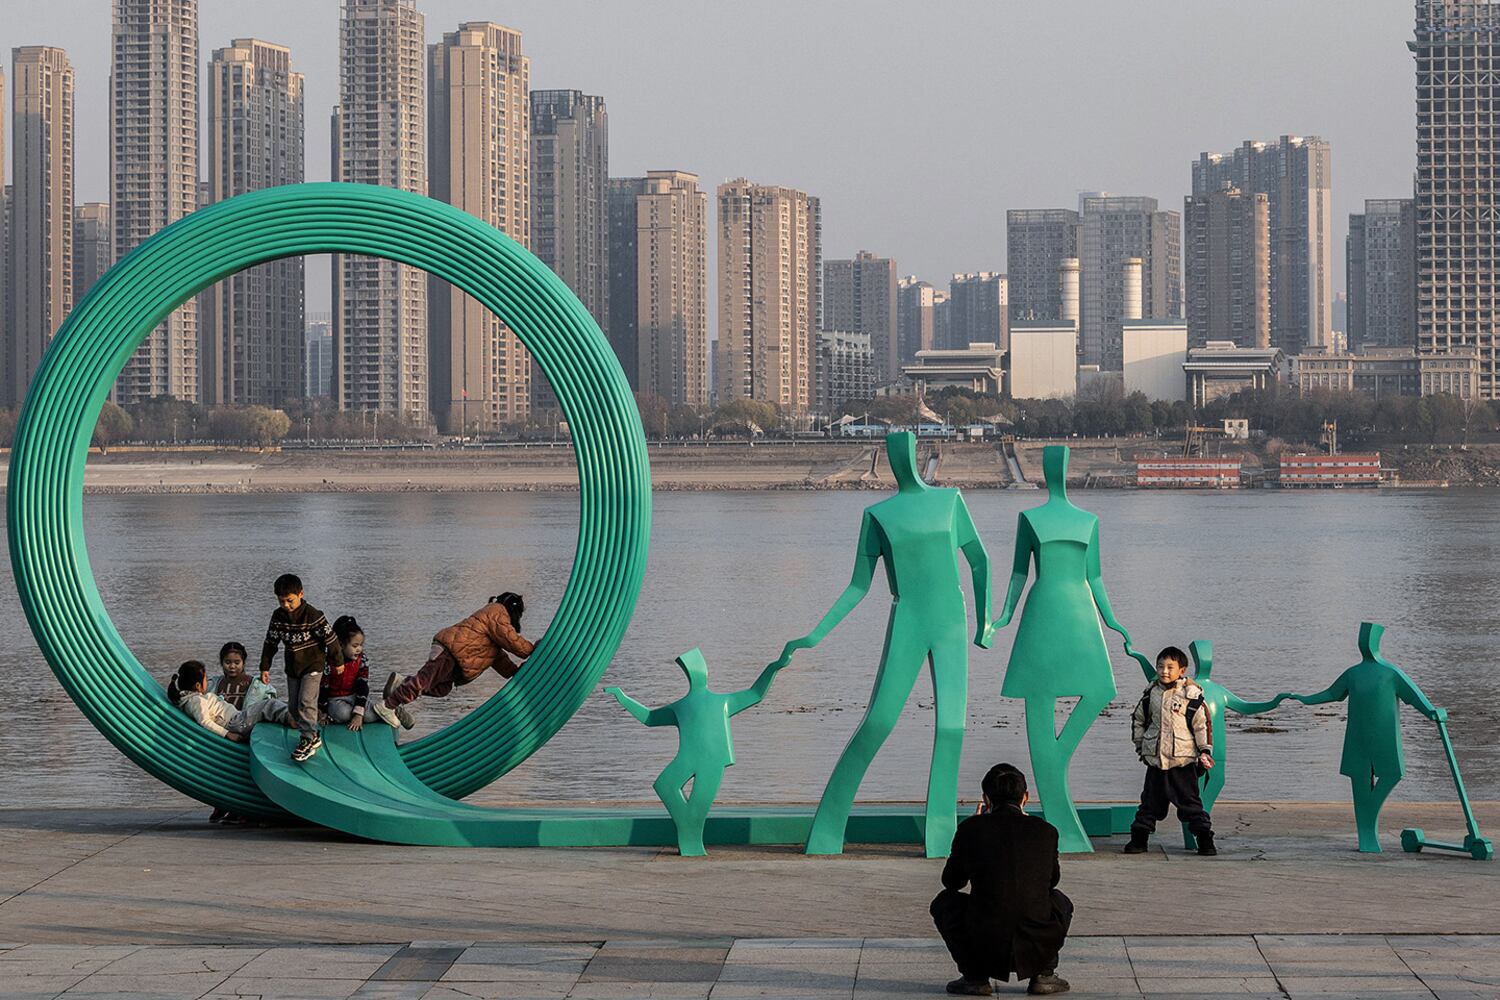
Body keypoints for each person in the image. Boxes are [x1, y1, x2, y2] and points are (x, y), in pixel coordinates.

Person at [931, 764, 1072, 996]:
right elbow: (1052, 881)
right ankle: (1044, 974)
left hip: (984, 939)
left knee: (944, 903)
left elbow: (952, 883)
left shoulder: (971, 829)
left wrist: (971, 833)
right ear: (1025, 797)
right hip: (1037, 937)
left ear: (986, 799)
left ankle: (975, 977)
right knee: (1060, 901)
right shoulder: (1046, 830)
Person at [370, 592, 532, 728]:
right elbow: (512, 641)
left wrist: (515, 672)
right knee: (424, 681)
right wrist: (532, 649)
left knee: (442, 689)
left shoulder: (493, 629)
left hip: (455, 657)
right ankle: (387, 706)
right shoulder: (497, 612)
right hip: (450, 651)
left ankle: (402, 683)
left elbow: (497, 658)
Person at [1124, 646, 1216, 856]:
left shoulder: (1191, 695)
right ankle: (1139, 840)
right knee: (1148, 804)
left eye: (1169, 667)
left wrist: (1204, 750)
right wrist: (1141, 745)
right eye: (1160, 666)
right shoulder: (1150, 694)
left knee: (1191, 804)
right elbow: (1138, 720)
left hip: (1182, 762)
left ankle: (1205, 840)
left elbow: (1202, 725)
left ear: (1181, 670)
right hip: (1156, 762)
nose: (1164, 671)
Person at [257, 573, 344, 763]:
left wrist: (338, 661)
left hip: (313, 665)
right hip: (293, 667)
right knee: (294, 709)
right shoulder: (278, 617)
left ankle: (308, 739)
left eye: (290, 601)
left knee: (306, 701)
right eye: (282, 601)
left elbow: (332, 639)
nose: (286, 605)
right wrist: (265, 667)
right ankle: (312, 733)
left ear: (301, 594)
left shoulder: (313, 615)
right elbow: (270, 642)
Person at [168, 660, 291, 743]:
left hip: (236, 720)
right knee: (269, 705)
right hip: (235, 722)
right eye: (205, 678)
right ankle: (292, 718)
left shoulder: (189, 699)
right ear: (198, 685)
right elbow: (204, 722)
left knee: (265, 713)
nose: (207, 681)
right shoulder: (196, 701)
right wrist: (227, 734)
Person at [213, 641, 277, 713]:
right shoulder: (214, 685)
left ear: (243, 663)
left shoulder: (257, 686)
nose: (232, 666)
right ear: (222, 663)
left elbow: (270, 706)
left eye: (237, 663)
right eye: (227, 662)